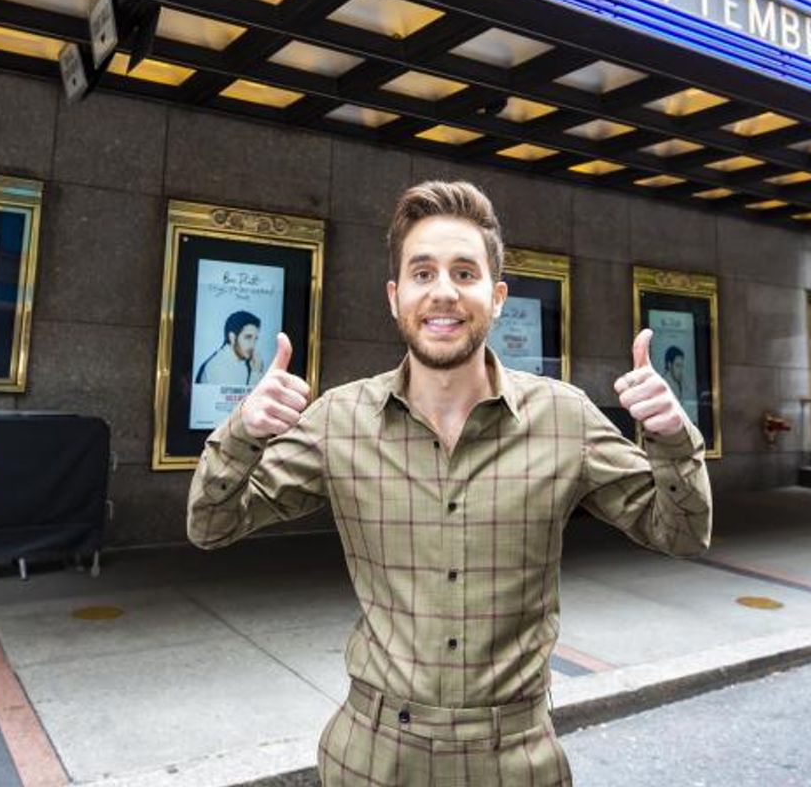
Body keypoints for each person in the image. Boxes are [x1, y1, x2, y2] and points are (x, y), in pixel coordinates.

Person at [188, 180, 711, 786]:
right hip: (372, 757)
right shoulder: (338, 420)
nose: (443, 292)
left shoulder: (565, 418)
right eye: (423, 272)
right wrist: (244, 431)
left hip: (516, 762)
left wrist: (672, 435)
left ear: (497, 297)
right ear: (395, 296)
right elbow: (210, 524)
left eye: (465, 273)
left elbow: (682, 533)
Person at [194, 310, 266, 386]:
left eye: (255, 339)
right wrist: (255, 373)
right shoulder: (217, 367)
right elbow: (249, 398)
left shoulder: (243, 361)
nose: (252, 345)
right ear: (232, 338)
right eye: (248, 337)